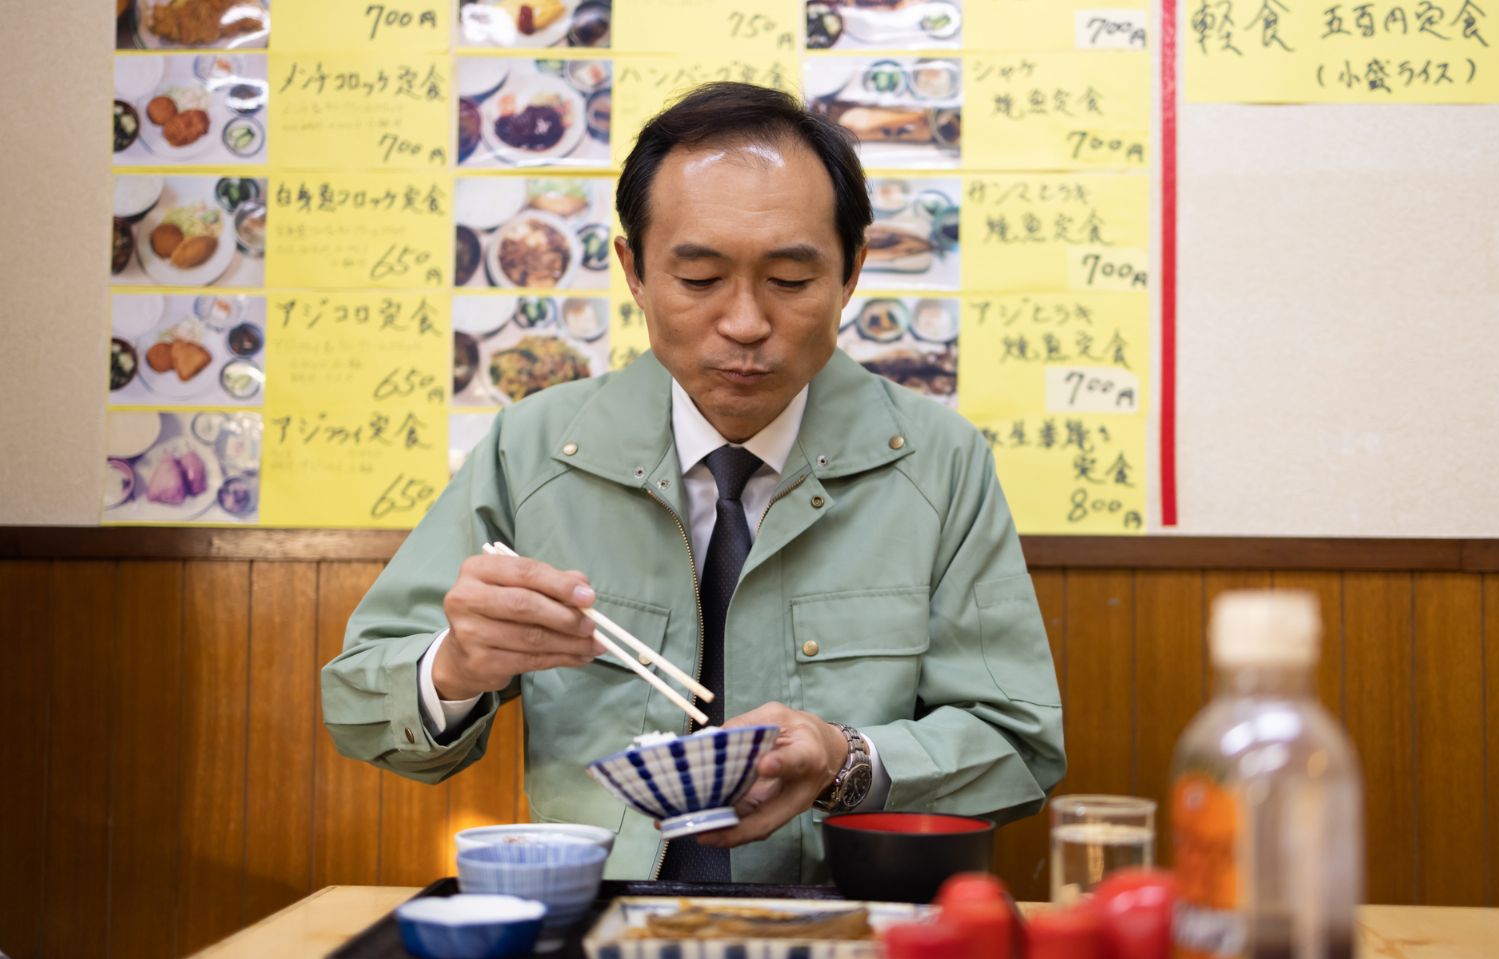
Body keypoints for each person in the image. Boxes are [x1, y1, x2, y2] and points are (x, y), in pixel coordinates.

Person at [321, 82, 1065, 883]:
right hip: (601, 933)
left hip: (846, 935)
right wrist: (455, 669)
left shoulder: (938, 462)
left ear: (852, 274)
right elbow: (360, 709)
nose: (745, 322)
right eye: (700, 279)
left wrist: (847, 759)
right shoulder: (533, 451)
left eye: (789, 280)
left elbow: (1019, 744)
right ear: (634, 271)